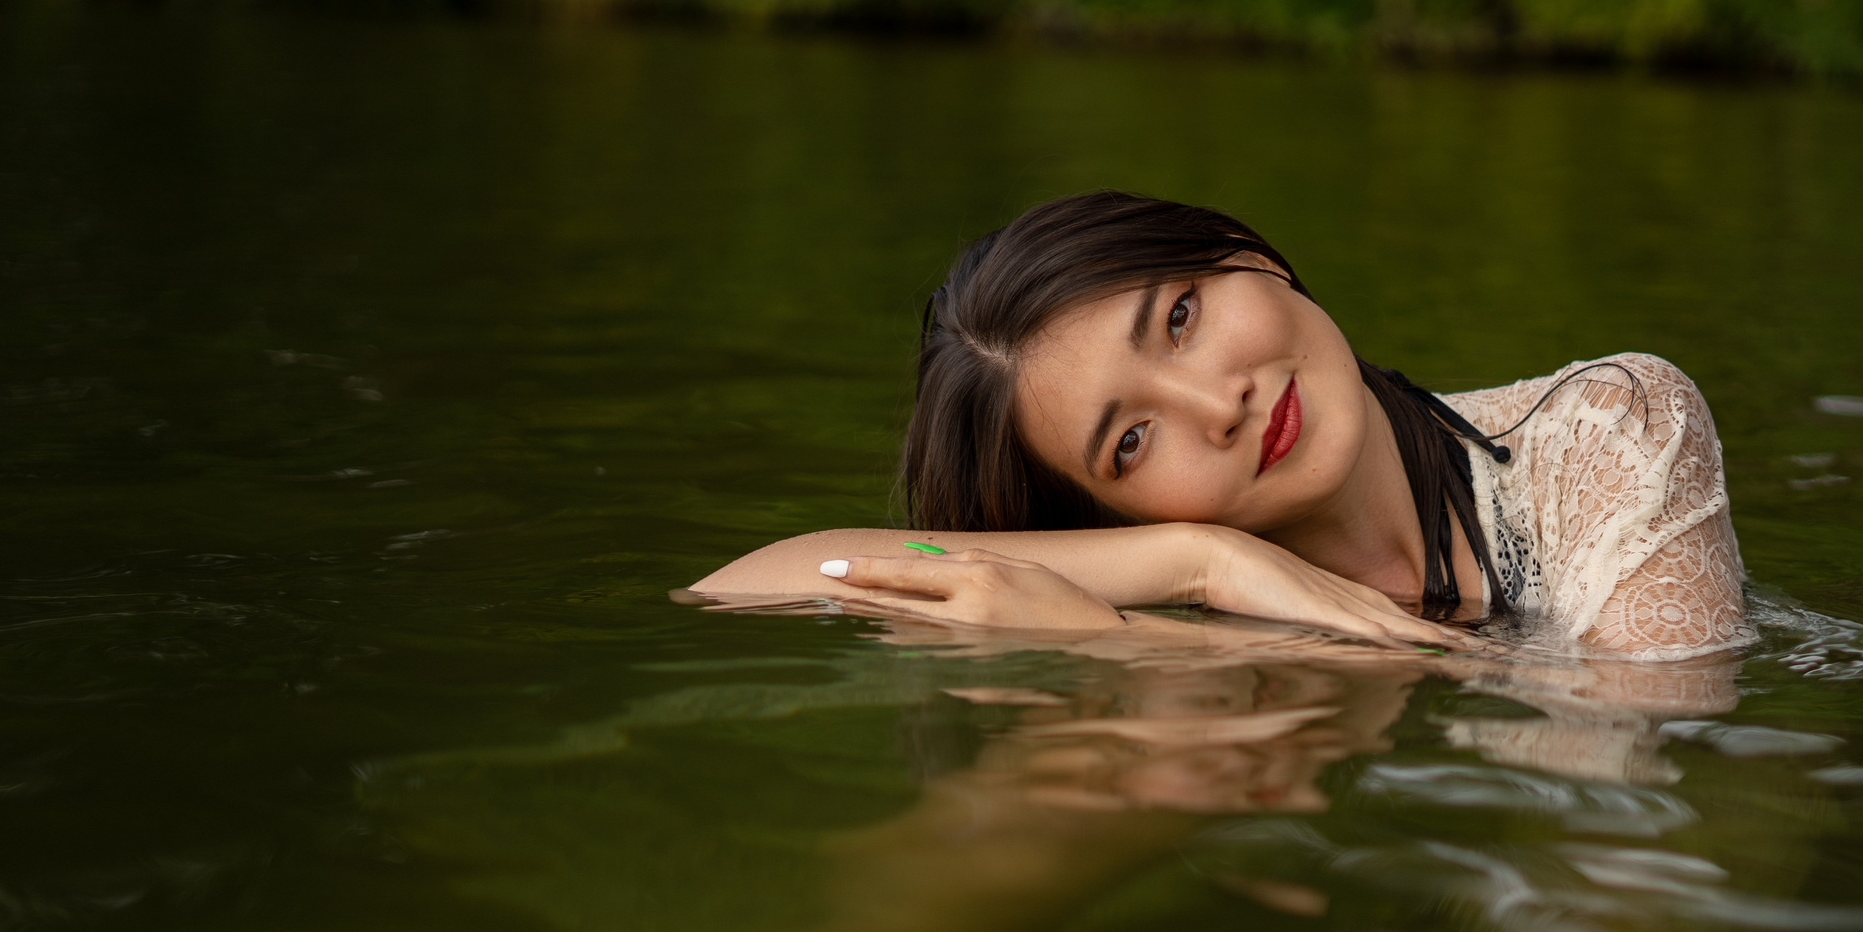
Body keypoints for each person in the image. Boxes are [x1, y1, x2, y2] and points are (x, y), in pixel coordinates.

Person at [692, 191, 1755, 662]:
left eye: (1181, 319)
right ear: (1101, 512)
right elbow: (748, 585)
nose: (1219, 403)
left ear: (1245, 253)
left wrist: (1129, 641)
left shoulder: (1608, 431)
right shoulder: (1189, 581)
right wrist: (1198, 564)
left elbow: (1641, 772)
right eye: (1130, 443)